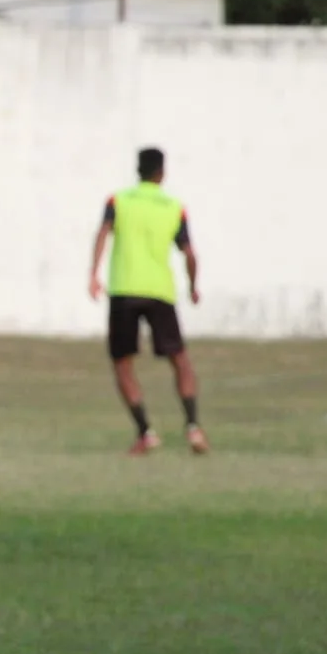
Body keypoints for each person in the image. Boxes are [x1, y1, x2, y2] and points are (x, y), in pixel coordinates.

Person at [89, 147, 208, 456]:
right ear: (162, 173)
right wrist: (193, 286)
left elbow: (102, 233)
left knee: (123, 363)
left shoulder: (119, 201)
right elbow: (190, 254)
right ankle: (193, 427)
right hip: (160, 292)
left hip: (124, 290)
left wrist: (93, 274)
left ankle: (146, 432)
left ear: (137, 170)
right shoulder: (174, 207)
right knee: (179, 360)